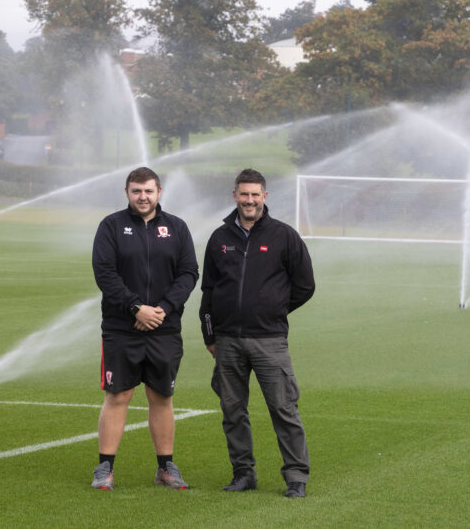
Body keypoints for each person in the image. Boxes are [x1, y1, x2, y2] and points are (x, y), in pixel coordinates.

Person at [199, 168, 315, 498]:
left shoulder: (284, 236)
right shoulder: (220, 238)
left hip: (269, 340)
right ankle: (243, 473)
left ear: (265, 197)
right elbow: (208, 291)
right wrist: (210, 336)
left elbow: (305, 286)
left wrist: (273, 310)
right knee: (233, 411)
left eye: (255, 194)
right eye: (243, 194)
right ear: (234, 196)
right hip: (228, 341)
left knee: (284, 409)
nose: (249, 200)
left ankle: (296, 477)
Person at [90, 166, 199, 491]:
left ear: (159, 192)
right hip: (121, 328)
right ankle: (105, 468)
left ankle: (166, 467)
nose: (143, 196)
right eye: (137, 191)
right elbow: (104, 272)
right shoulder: (111, 226)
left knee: (161, 396)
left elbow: (189, 272)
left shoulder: (177, 228)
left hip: (164, 328)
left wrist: (162, 310)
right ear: (127, 193)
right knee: (118, 395)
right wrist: (136, 307)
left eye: (148, 191)